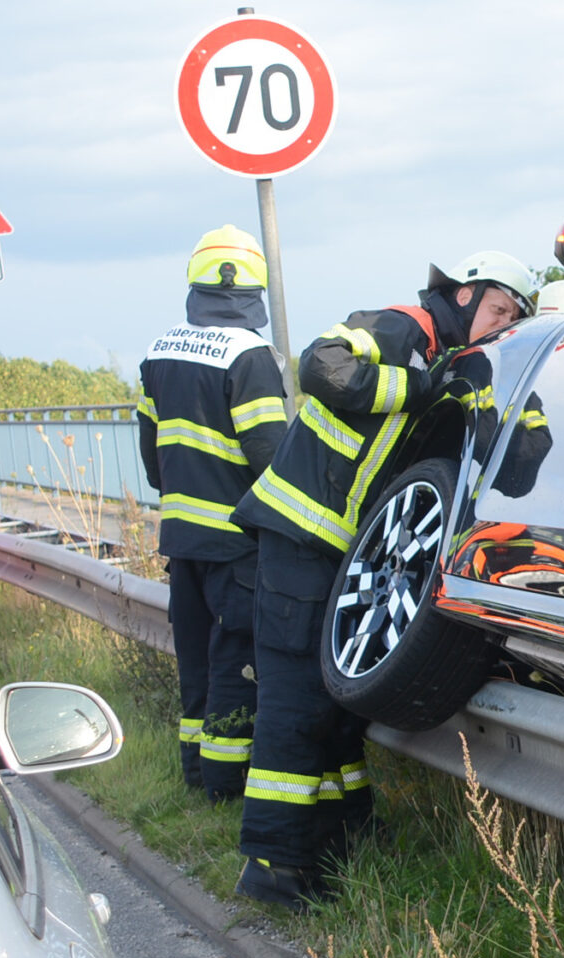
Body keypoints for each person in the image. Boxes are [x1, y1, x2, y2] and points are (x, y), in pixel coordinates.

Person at [229, 251, 539, 907]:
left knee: (335, 710)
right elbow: (321, 365)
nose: (502, 324)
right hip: (299, 537)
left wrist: (526, 393)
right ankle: (272, 867)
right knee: (295, 706)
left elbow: (518, 467)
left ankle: (340, 844)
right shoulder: (405, 329)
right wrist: (418, 388)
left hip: (345, 558)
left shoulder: (465, 368)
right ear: (460, 296)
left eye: (515, 317)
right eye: (498, 309)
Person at [138, 226, 288, 801]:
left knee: (195, 660)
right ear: (254, 290)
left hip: (182, 538)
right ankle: (225, 786)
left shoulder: (158, 352)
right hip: (235, 542)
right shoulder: (249, 355)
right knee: (235, 658)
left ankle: (195, 776)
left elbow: (152, 457)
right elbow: (270, 456)